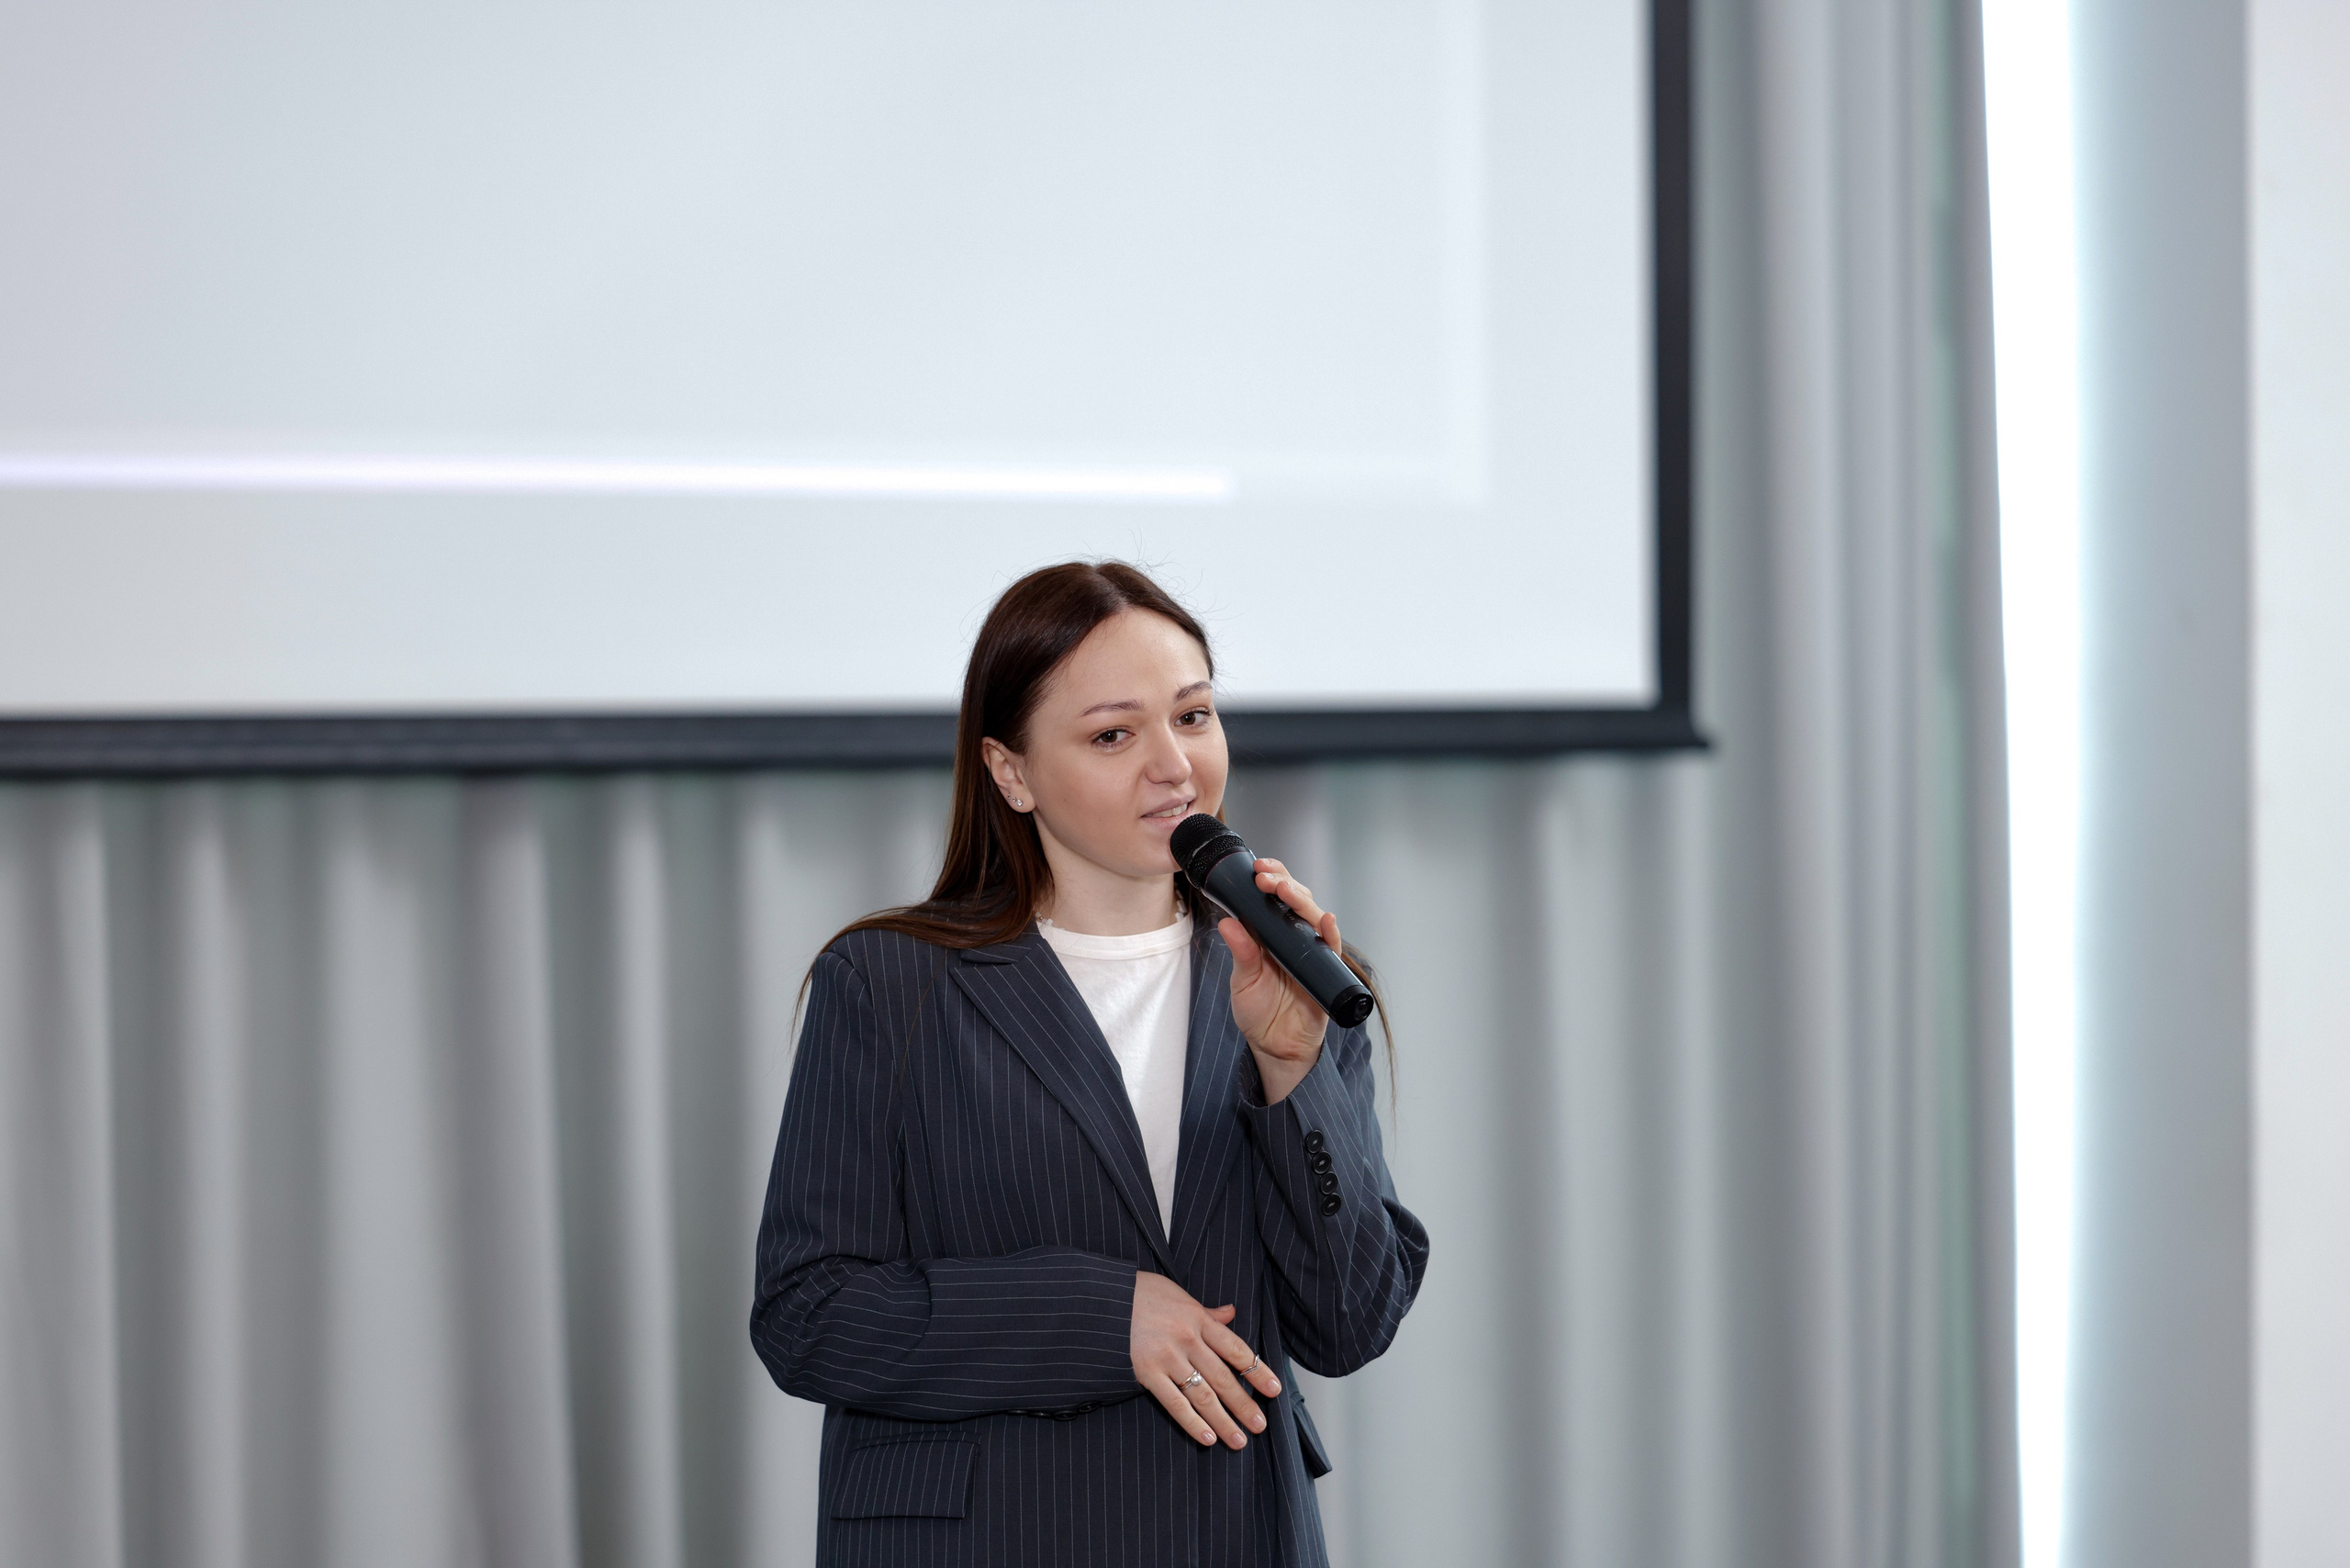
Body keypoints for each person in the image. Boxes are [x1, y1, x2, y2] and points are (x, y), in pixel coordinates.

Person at [750, 560, 1428, 1567]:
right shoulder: (889, 983)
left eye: (1193, 717)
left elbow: (1349, 1321)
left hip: (1231, 1534)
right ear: (1010, 770)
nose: (1175, 767)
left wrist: (1293, 1071)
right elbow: (809, 1315)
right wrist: (1100, 1314)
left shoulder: (1296, 978)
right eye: (1114, 734)